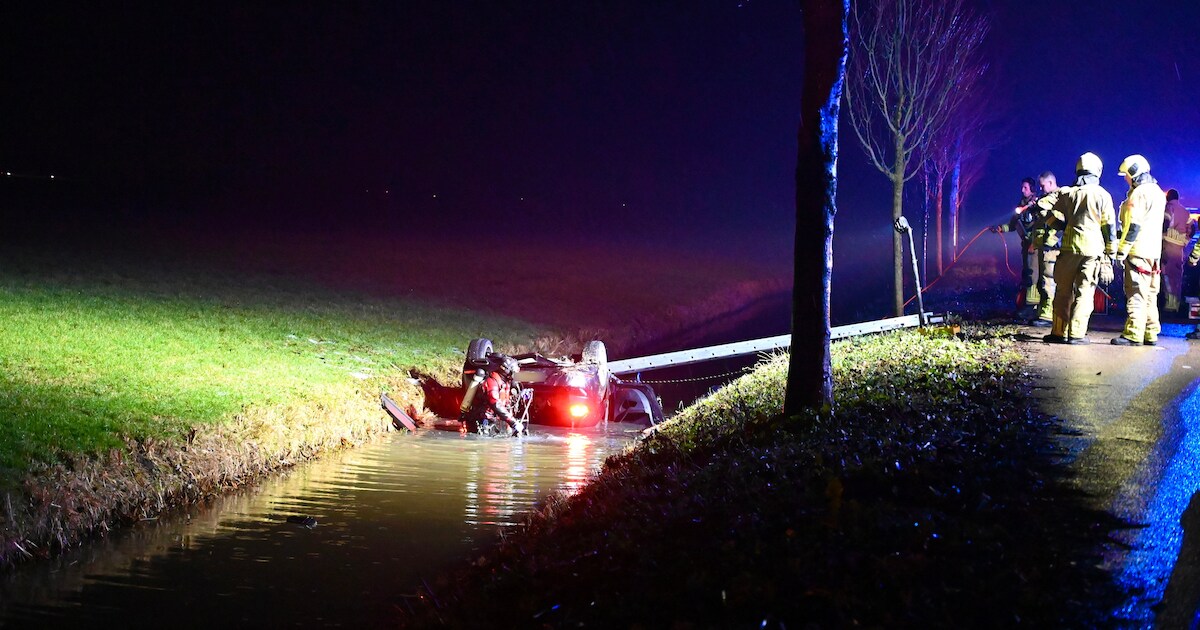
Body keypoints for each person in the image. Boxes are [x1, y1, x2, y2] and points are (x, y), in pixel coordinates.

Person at [1037, 152, 1117, 344]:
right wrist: (1111, 254)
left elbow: (1042, 205)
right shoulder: (1103, 195)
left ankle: (1058, 332)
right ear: (1098, 171)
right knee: (1085, 292)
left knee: (1063, 291)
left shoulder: (1068, 193)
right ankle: (1077, 335)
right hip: (1092, 251)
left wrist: (1057, 224)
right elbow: (1109, 228)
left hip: (1068, 248)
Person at [1111, 154, 1167, 346]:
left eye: (1126, 175)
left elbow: (1133, 226)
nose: (1126, 179)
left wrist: (1121, 251)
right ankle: (1150, 332)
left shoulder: (1139, 193)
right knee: (1151, 295)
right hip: (1154, 254)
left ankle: (1133, 333)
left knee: (1136, 293)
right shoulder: (1159, 192)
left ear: (1134, 172)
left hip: (1138, 253)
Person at [990, 177, 1040, 320]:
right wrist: (1000, 229)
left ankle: (1032, 307)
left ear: (1032, 189)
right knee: (1026, 274)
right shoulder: (1021, 206)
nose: (1022, 190)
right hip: (1025, 245)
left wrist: (1034, 243)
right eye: (1022, 187)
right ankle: (1025, 304)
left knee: (1033, 275)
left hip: (1034, 246)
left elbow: (1041, 226)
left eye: (1025, 187)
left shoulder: (1037, 205)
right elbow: (1013, 225)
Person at [1027, 171, 1063, 326]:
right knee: (1043, 279)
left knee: (1048, 279)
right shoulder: (1046, 199)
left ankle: (1047, 315)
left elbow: (1059, 222)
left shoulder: (1059, 198)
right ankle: (1043, 312)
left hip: (1052, 245)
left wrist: (1041, 209)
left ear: (1050, 183)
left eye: (1043, 186)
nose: (1041, 189)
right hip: (1044, 245)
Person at [461, 354, 526, 436]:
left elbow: (507, 403)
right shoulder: (492, 381)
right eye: (513, 372)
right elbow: (495, 403)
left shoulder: (505, 382)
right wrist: (513, 422)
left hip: (493, 419)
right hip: (482, 420)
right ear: (506, 370)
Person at [1162, 188, 1191, 314]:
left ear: (1168, 198)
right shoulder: (1185, 211)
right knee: (1177, 277)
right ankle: (1176, 305)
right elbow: (1193, 228)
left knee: (1166, 275)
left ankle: (1170, 304)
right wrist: (1186, 240)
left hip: (1168, 246)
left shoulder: (1168, 208)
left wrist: (1162, 235)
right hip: (1180, 249)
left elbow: (1166, 222)